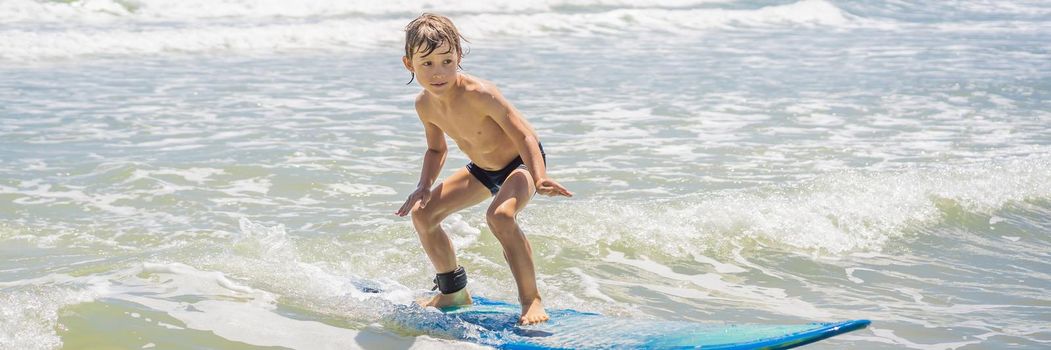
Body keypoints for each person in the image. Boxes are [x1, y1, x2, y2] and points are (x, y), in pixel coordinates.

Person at [393, 13, 573, 325]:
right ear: (409, 63)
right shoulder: (424, 104)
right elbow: (437, 149)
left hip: (522, 163)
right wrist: (423, 186)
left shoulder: (480, 93)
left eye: (447, 61)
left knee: (500, 216)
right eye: (427, 63)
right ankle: (453, 292)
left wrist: (539, 176)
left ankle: (531, 300)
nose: (439, 72)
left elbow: (524, 135)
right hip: (483, 169)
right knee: (424, 214)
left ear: (458, 57)